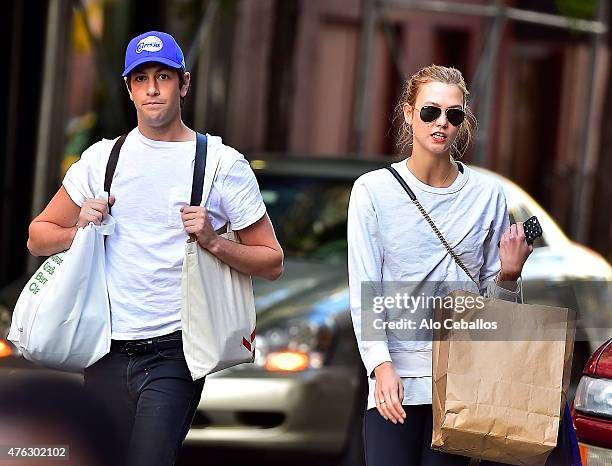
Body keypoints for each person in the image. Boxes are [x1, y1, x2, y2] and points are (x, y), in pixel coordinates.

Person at [26, 30, 283, 466]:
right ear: (129, 89)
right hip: (105, 348)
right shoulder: (101, 160)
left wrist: (214, 241)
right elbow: (38, 236)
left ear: (183, 84)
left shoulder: (222, 164)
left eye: (163, 77)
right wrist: (84, 230)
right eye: (141, 78)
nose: (152, 88)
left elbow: (272, 261)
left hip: (175, 353)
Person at [347, 65, 577, 466]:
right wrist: (380, 365)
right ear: (407, 113)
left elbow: (497, 310)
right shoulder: (372, 191)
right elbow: (365, 288)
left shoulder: (487, 194)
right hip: (395, 378)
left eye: (454, 115)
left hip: (463, 379)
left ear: (464, 121)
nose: (441, 123)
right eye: (430, 111)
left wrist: (508, 274)